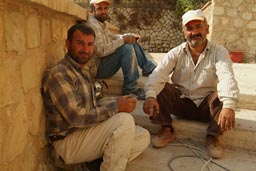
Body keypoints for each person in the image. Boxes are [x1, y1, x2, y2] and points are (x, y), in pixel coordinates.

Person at [41, 23, 150, 171]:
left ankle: (93, 164)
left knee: (142, 136)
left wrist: (118, 101)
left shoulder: (82, 71)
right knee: (124, 122)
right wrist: (116, 107)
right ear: (67, 44)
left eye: (90, 44)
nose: (85, 50)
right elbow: (76, 117)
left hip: (85, 133)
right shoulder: (59, 74)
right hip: (68, 142)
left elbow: (92, 104)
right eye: (80, 44)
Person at [143, 9, 239, 159]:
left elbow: (227, 77)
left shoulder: (219, 52)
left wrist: (229, 105)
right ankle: (167, 130)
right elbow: (158, 74)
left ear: (207, 29)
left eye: (198, 27)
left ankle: (212, 137)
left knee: (224, 95)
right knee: (160, 87)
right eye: (189, 28)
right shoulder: (176, 52)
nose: (195, 32)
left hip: (206, 107)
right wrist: (150, 96)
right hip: (182, 103)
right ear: (184, 32)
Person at [85, 0, 156, 100]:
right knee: (126, 48)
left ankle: (147, 67)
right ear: (91, 11)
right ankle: (130, 88)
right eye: (99, 8)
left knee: (130, 40)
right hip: (98, 68)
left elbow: (112, 37)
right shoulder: (93, 26)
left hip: (104, 61)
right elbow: (101, 50)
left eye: (105, 8)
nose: (103, 11)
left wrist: (127, 36)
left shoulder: (100, 23)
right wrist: (123, 40)